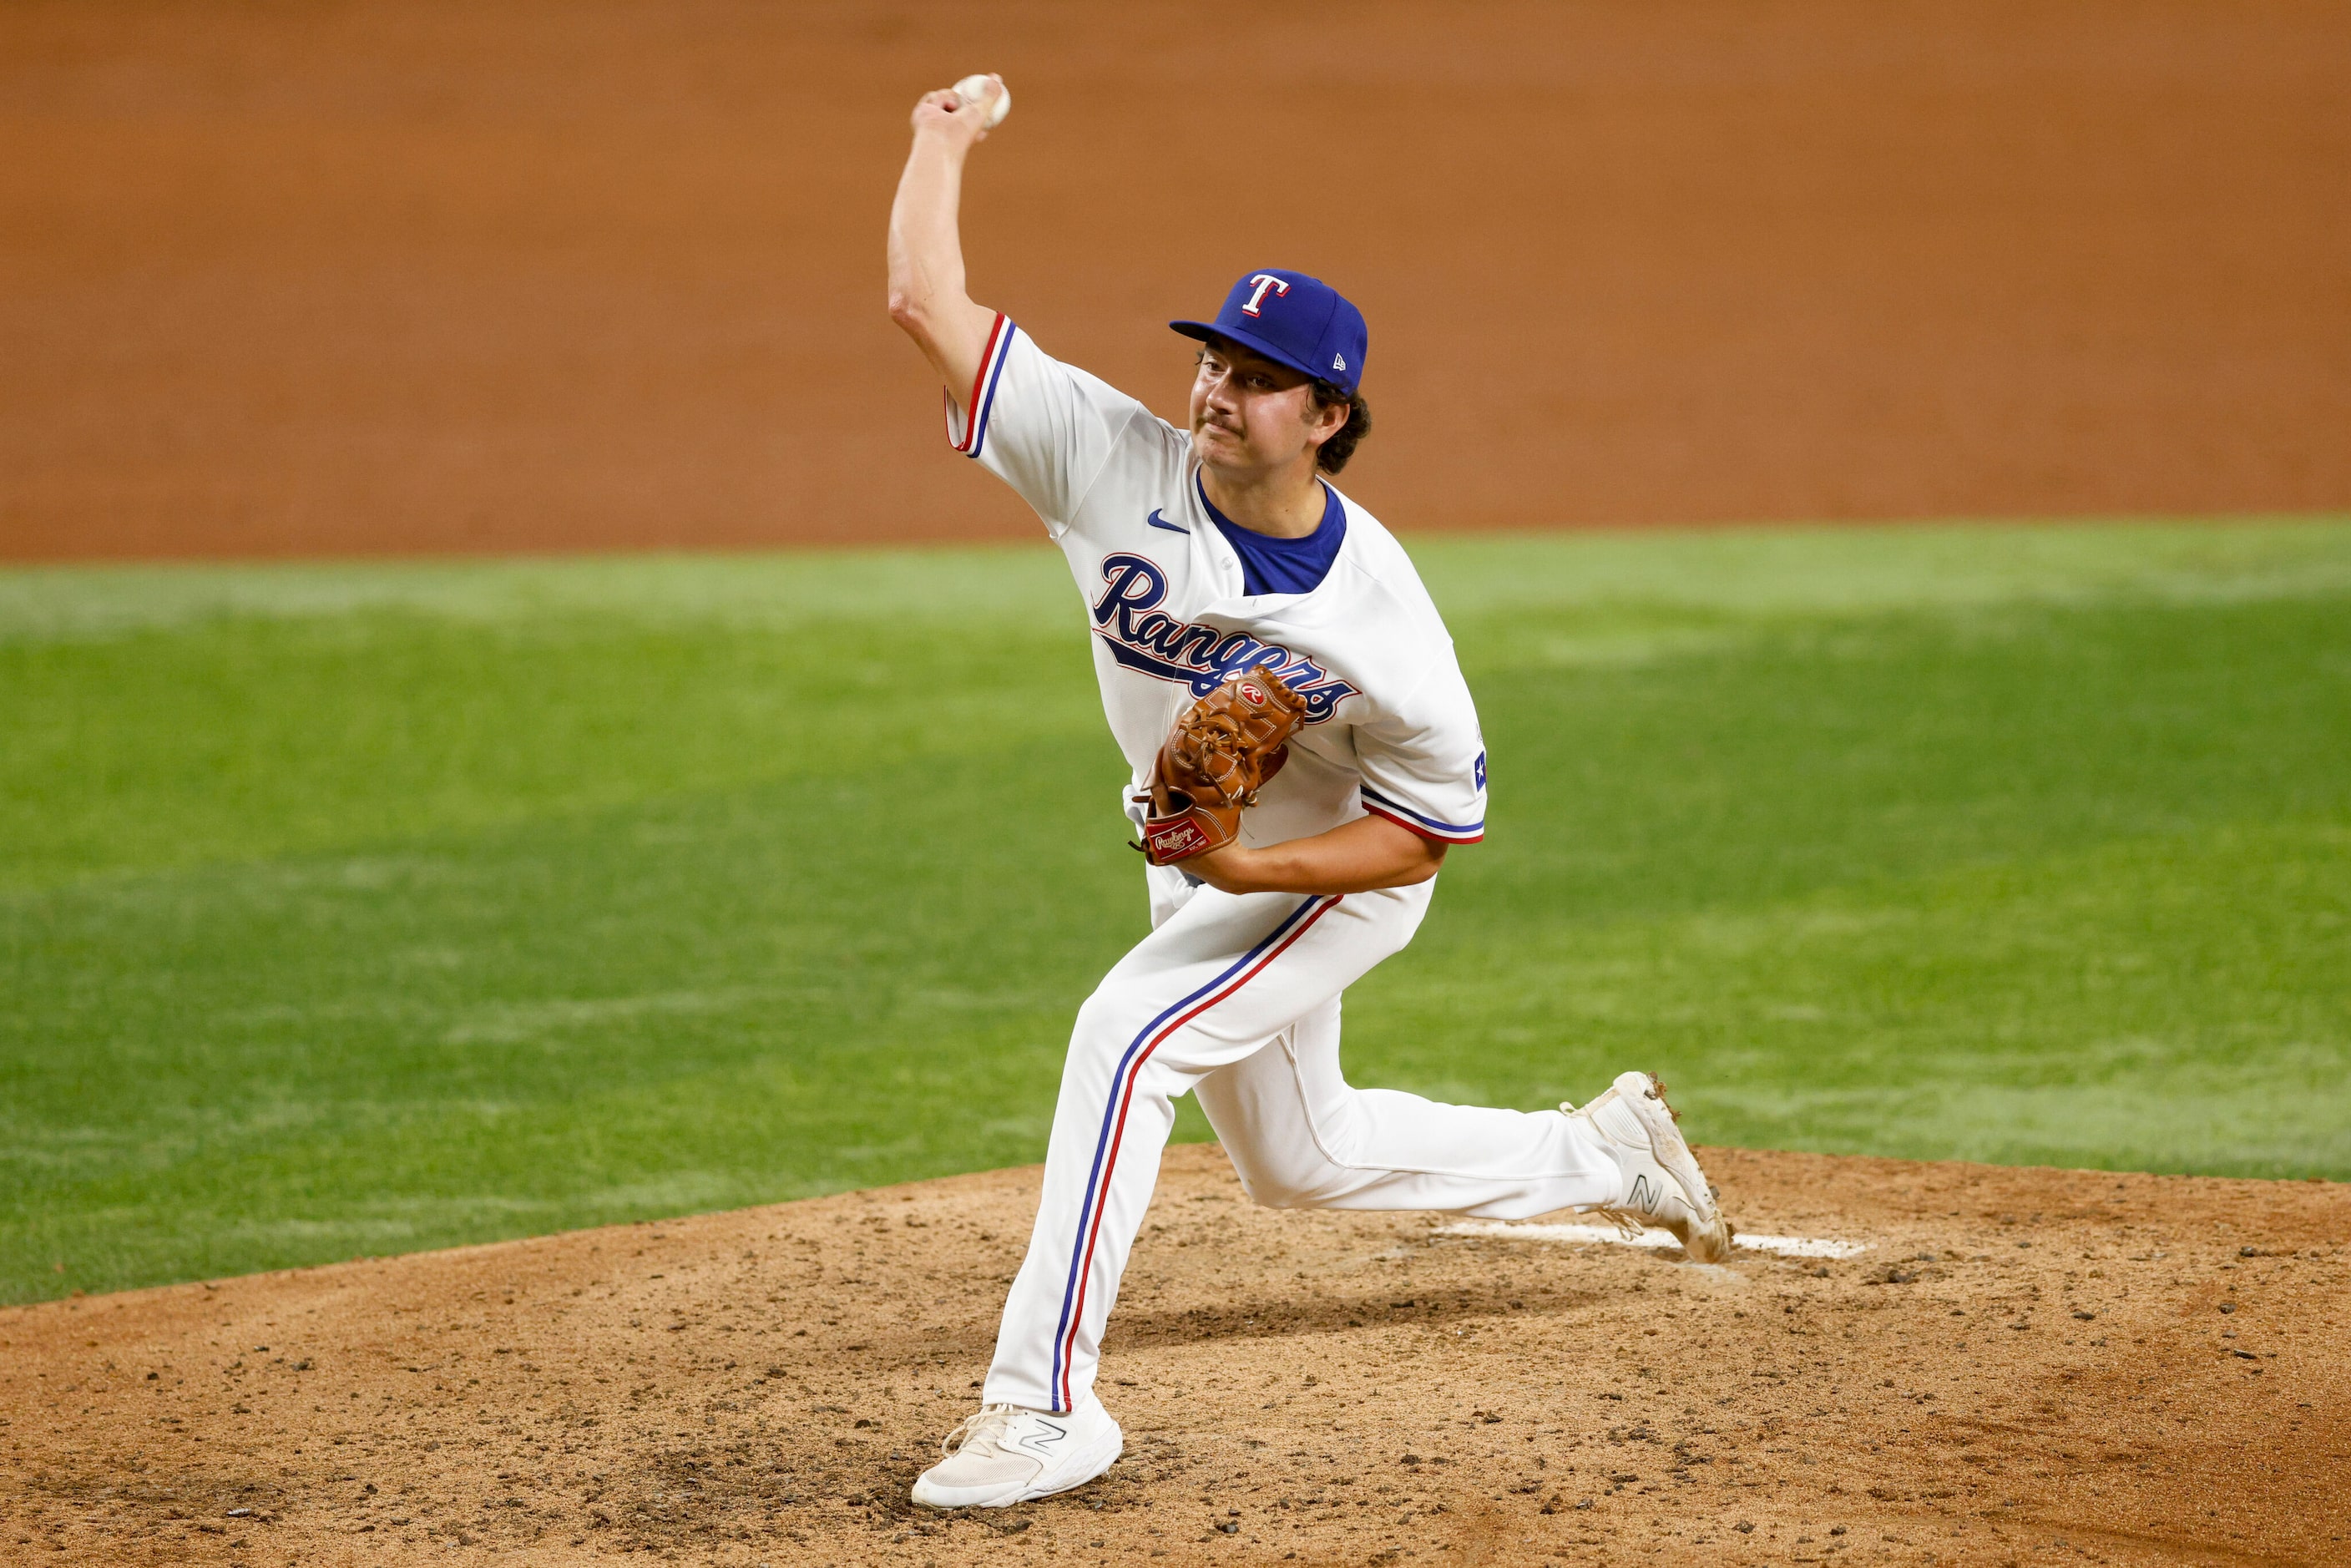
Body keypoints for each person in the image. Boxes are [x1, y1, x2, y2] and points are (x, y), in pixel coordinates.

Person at [884, 76, 1732, 1511]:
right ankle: (1602, 1150)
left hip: (1331, 878)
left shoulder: (1386, 622)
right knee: (1304, 1154)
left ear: (1329, 415)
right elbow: (926, 299)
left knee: (1125, 1034)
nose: (1218, 390)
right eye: (1214, 359)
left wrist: (1247, 878)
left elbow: (1423, 837)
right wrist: (941, 134)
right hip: (1204, 860)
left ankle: (1042, 1408)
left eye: (1257, 375)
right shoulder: (1109, 455)